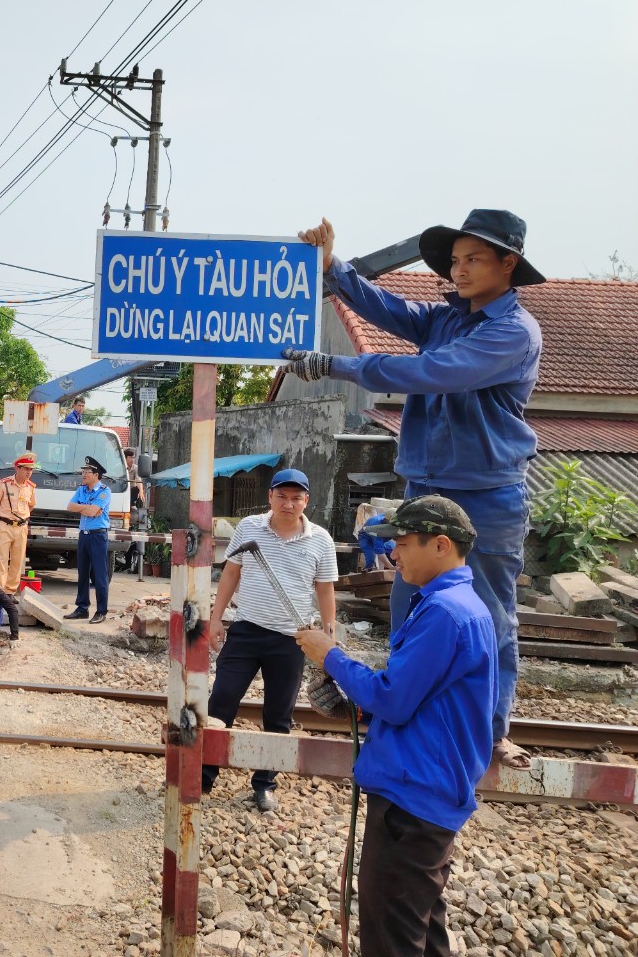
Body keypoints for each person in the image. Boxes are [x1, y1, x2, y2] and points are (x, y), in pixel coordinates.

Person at [286, 210, 542, 770]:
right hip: (427, 488)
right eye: (455, 260)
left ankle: (493, 730)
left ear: (509, 263)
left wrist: (336, 365)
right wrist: (335, 268)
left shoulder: (512, 332)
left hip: (486, 494)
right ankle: (399, 711)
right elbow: (389, 309)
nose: (461, 269)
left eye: (474, 258)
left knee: (492, 616)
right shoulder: (445, 320)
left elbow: (434, 373)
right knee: (408, 607)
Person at [296, 495, 497, 957]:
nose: (394, 554)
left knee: (392, 940)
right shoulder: (459, 606)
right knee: (421, 932)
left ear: (441, 545)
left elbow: (393, 697)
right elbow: (422, 700)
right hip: (427, 792)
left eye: (403, 543)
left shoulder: (445, 613)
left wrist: (330, 655)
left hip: (413, 801)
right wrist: (359, 706)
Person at [200, 468, 338, 812]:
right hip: (246, 630)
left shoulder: (321, 539)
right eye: (282, 496)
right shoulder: (249, 528)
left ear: (307, 501)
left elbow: (325, 588)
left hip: (292, 639)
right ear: (270, 498)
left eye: (296, 498)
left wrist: (329, 633)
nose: (288, 504)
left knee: (278, 715)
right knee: (221, 702)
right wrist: (216, 618)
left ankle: (265, 785)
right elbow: (232, 571)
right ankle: (203, 777)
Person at [65, 455, 112, 624]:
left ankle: (101, 611)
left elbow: (93, 512)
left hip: (98, 536)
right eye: (83, 471)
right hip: (83, 536)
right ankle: (82, 608)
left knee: (99, 575)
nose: (83, 474)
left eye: (87, 471)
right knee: (82, 573)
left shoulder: (104, 491)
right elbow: (70, 507)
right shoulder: (81, 490)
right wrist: (87, 508)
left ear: (96, 475)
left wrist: (84, 509)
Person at [0, 451, 37, 594]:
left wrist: (23, 518)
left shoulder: (31, 487)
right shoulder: (4, 484)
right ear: (17, 468)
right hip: (5, 526)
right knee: (1, 560)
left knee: (17, 561)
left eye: (31, 469)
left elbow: (31, 505)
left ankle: (10, 591)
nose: (29, 472)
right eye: (26, 469)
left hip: (21, 528)